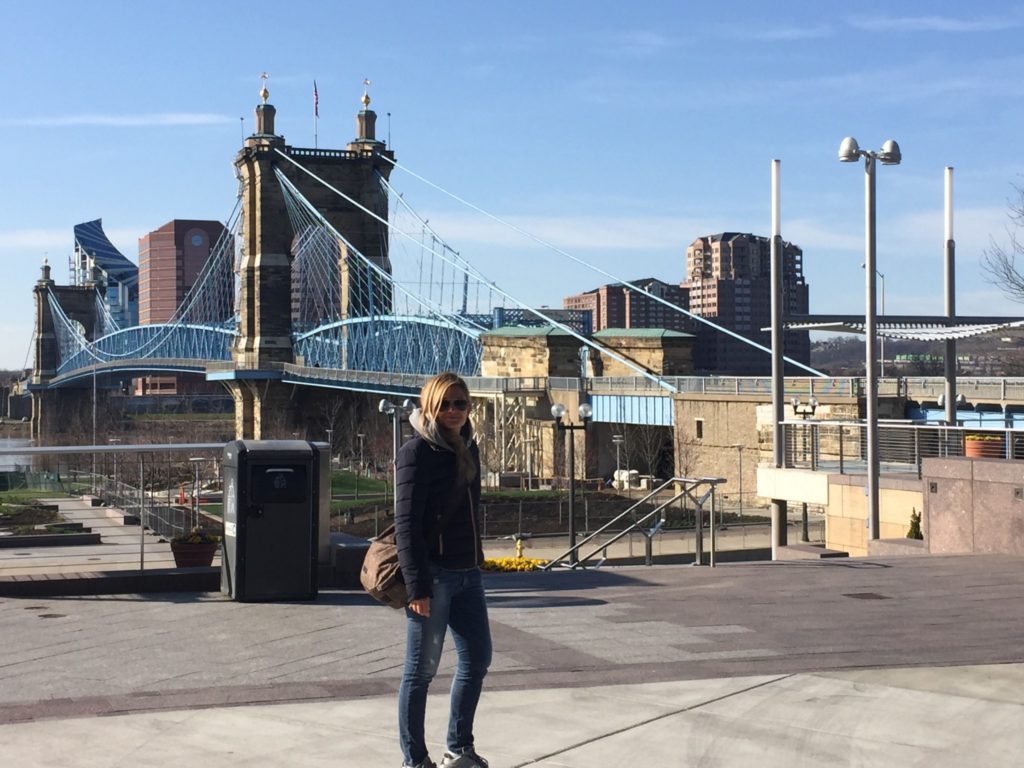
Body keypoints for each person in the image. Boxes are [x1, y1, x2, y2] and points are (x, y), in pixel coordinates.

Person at [395, 372, 491, 768]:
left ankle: (458, 747)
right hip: (434, 577)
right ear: (429, 406)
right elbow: (406, 524)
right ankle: (415, 760)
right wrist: (417, 586)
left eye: (461, 403)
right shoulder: (415, 451)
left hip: (469, 573)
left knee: (477, 659)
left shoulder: (470, 446)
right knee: (421, 673)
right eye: (445, 404)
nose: (453, 411)